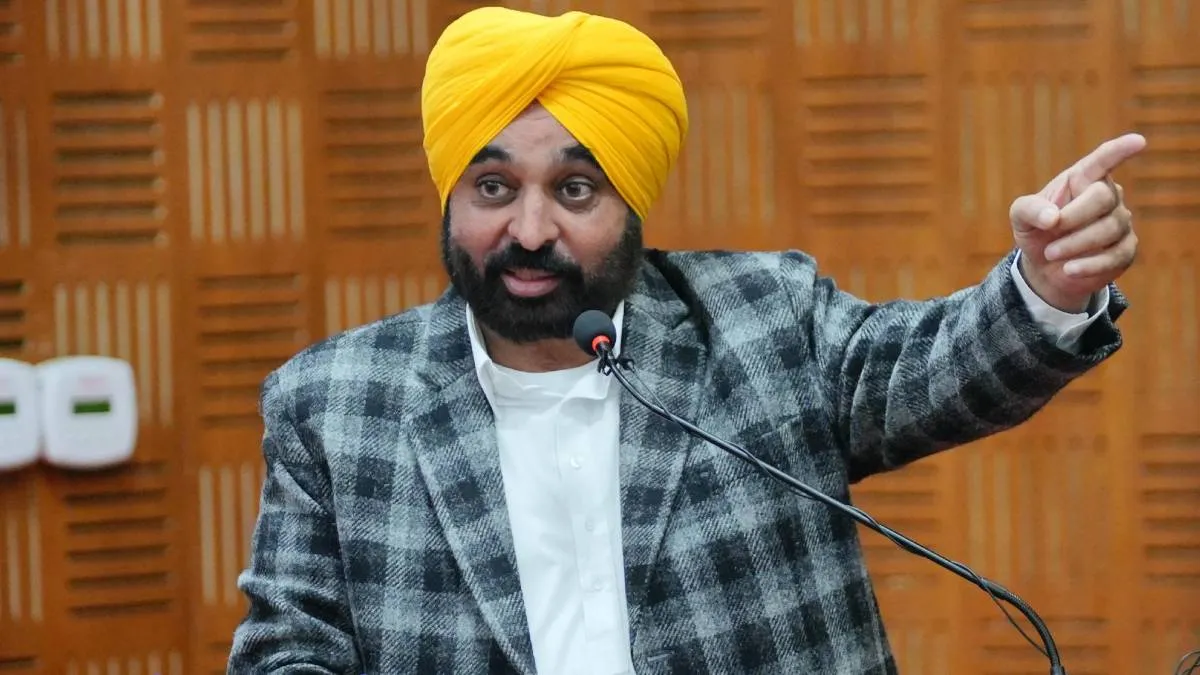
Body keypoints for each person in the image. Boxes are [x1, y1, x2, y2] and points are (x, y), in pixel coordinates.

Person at [227, 6, 1142, 675]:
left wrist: (1046, 286)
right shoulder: (334, 406)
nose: (531, 230)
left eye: (576, 190)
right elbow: (287, 650)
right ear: (450, 198)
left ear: (631, 205)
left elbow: (937, 366)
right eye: (494, 189)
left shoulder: (762, 321)